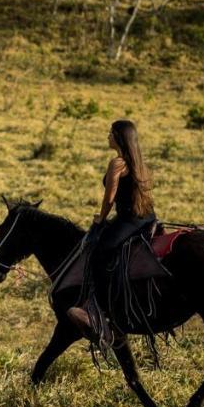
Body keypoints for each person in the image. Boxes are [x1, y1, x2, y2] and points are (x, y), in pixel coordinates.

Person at [66, 119, 157, 339]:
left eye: (111, 133)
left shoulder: (117, 163)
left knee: (98, 253)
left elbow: (109, 199)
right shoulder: (138, 162)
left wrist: (100, 219)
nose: (108, 136)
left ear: (119, 138)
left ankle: (98, 312)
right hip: (147, 217)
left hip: (128, 220)